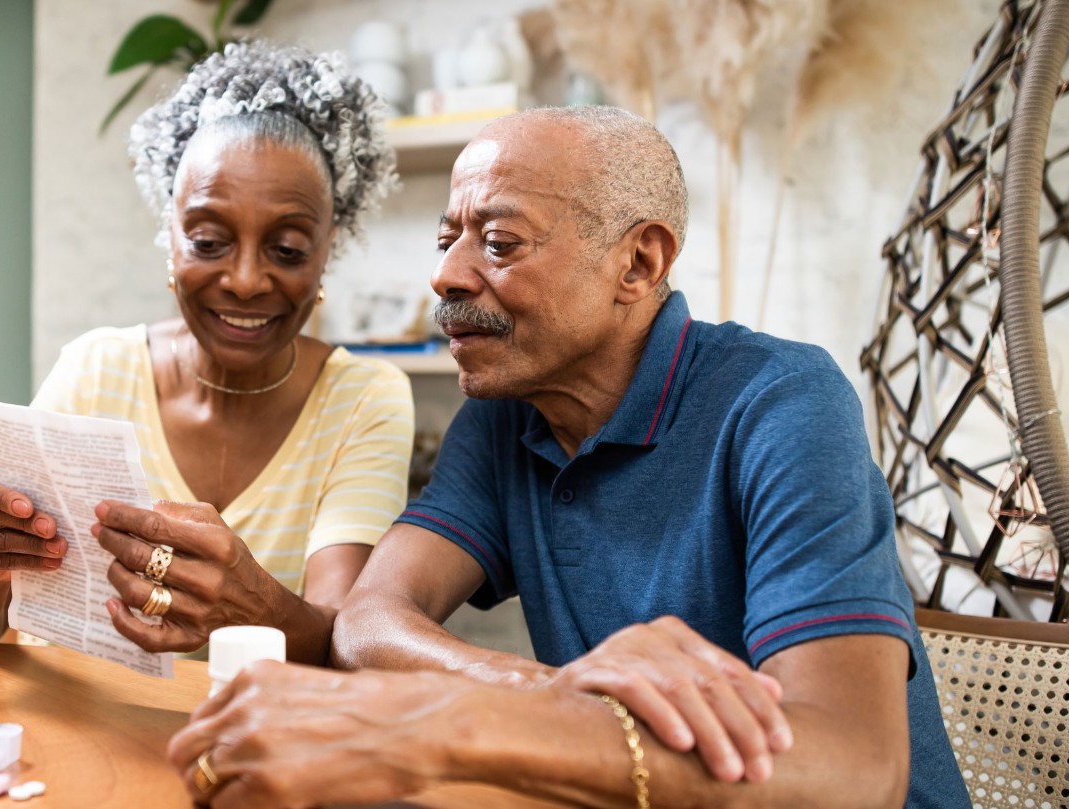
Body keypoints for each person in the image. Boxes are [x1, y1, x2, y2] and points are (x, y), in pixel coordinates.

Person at [165, 106, 969, 808]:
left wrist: (452, 720)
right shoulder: (505, 408)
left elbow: (850, 772)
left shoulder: (782, 401)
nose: (445, 274)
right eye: (448, 240)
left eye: (498, 241)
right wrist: (548, 692)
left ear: (638, 263)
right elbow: (368, 621)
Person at [0, 41, 410, 666]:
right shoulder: (98, 370)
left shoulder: (363, 397)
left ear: (326, 253)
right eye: (208, 241)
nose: (245, 279)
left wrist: (247, 601)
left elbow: (342, 645)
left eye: (287, 249)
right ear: (170, 237)